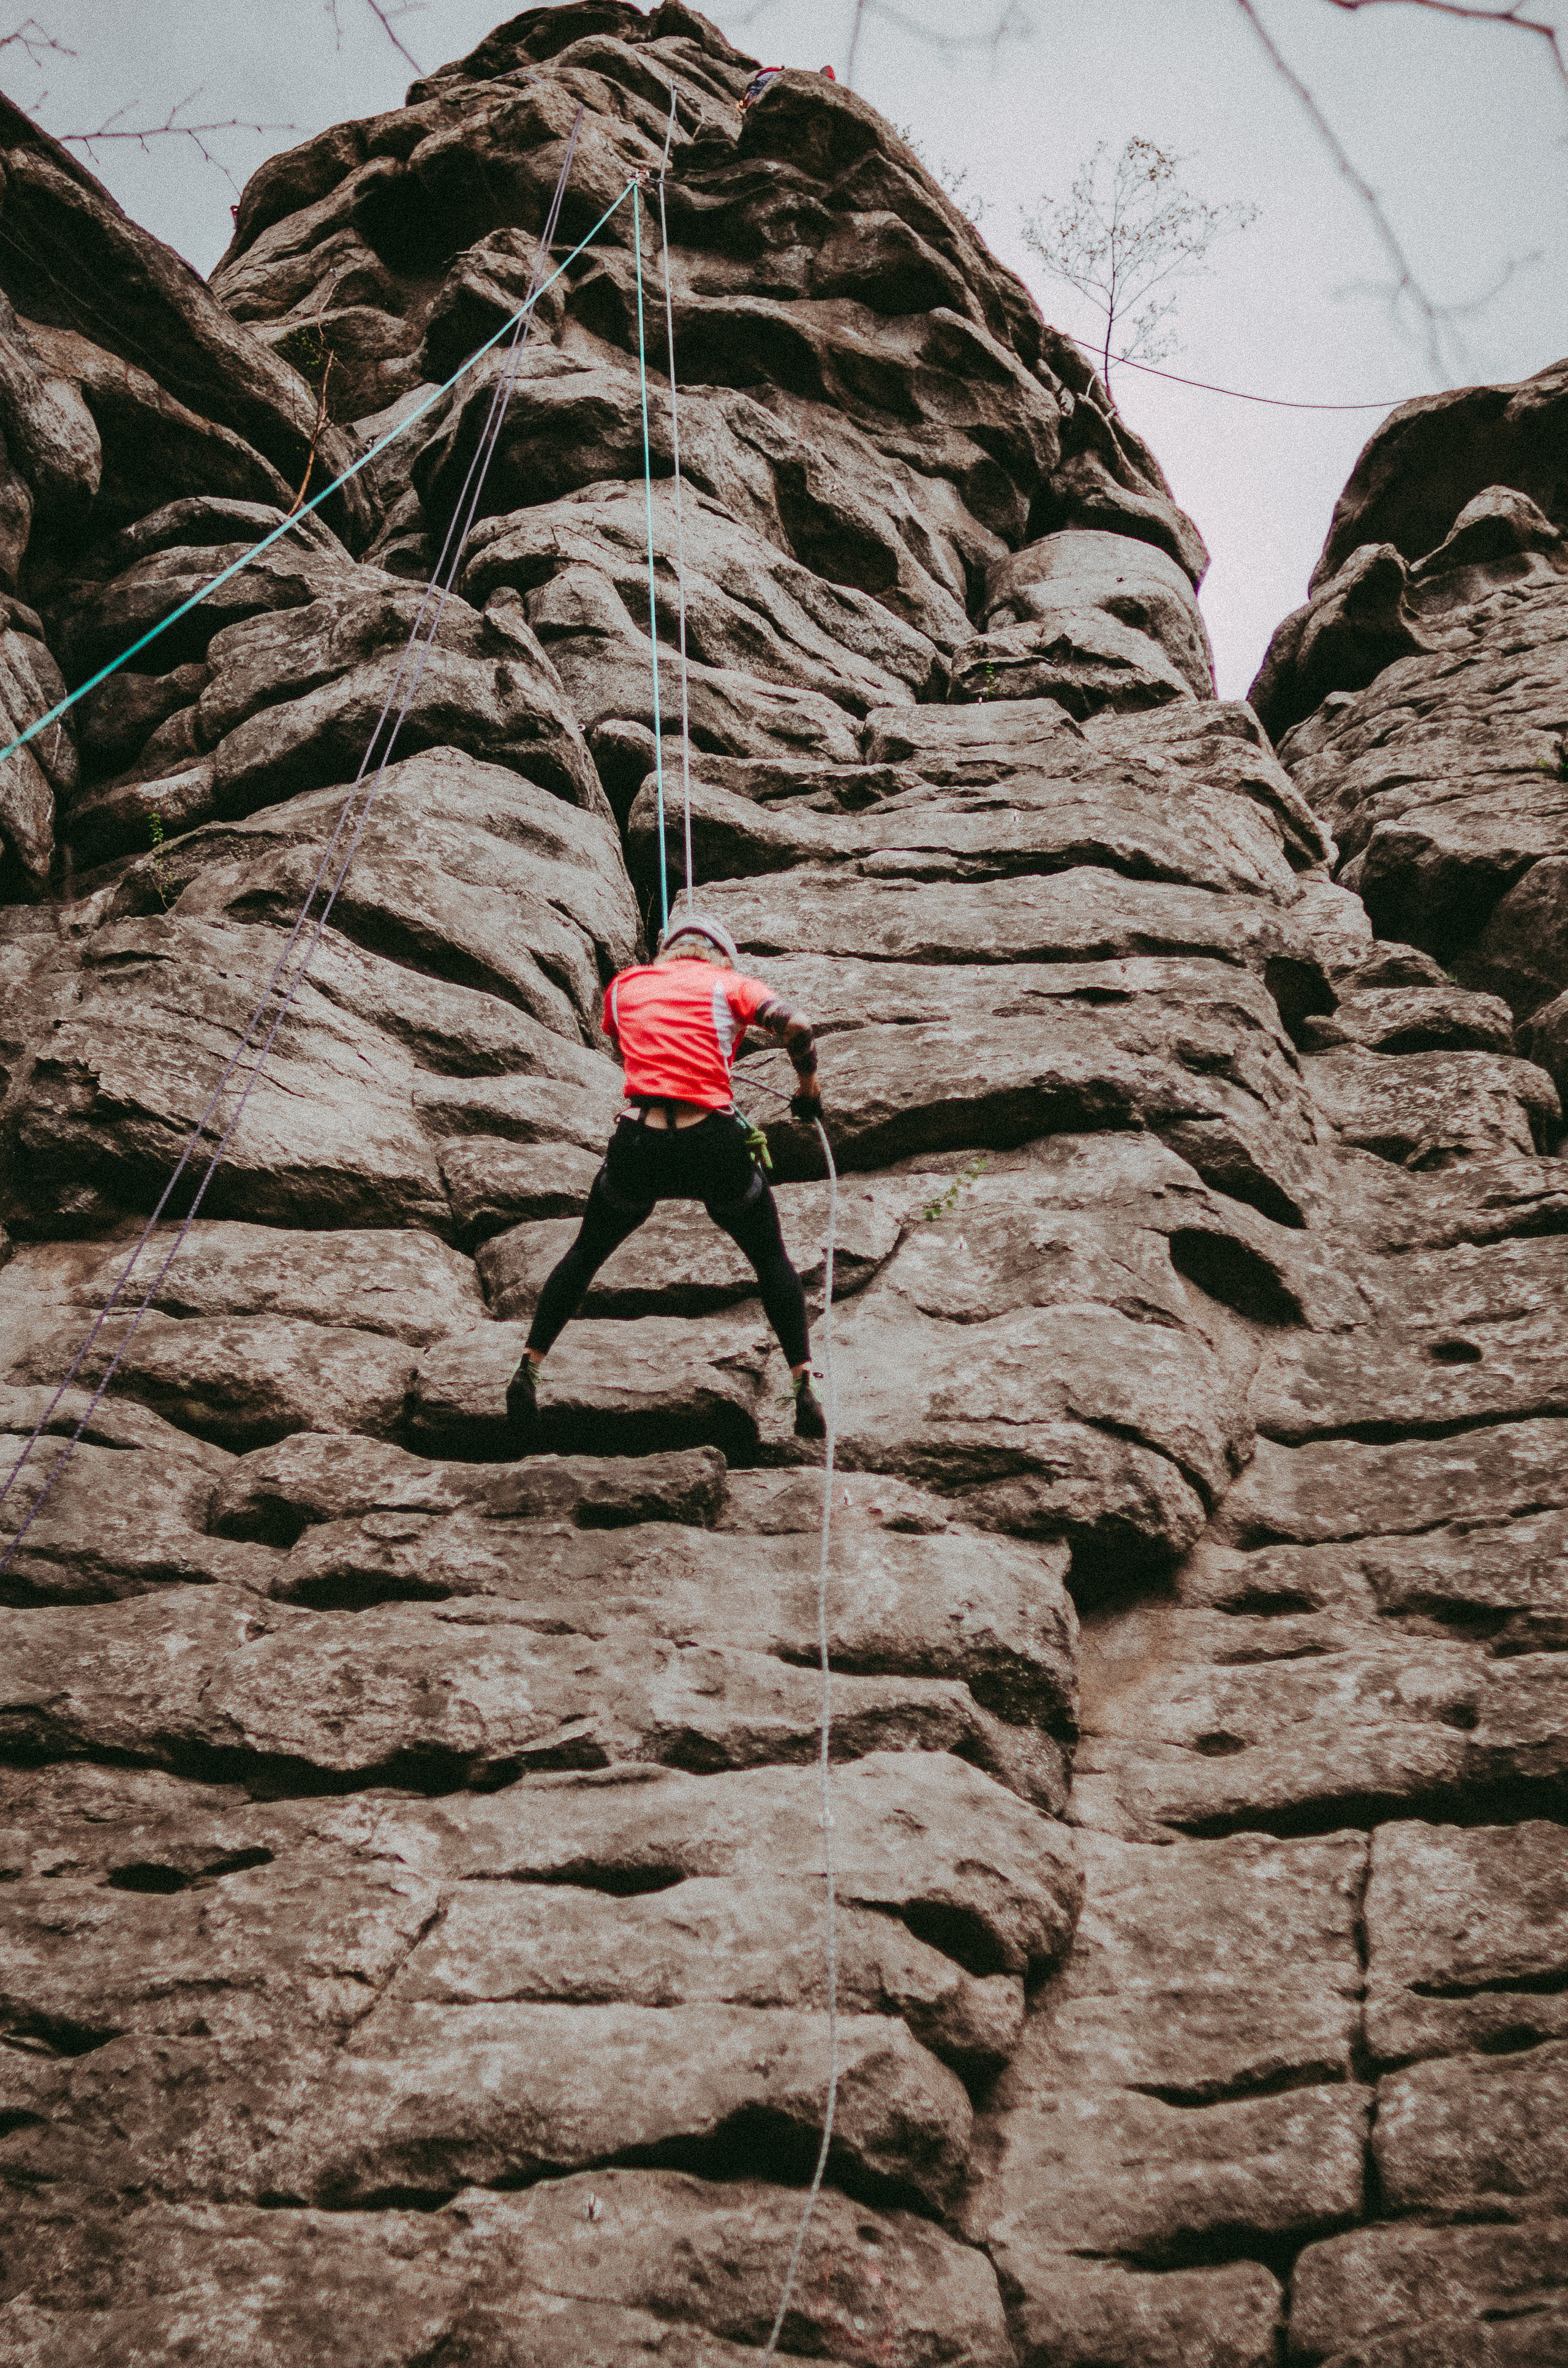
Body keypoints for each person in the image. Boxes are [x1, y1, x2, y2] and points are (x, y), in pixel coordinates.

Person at [505, 912, 827, 1450]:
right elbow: (798, 1026)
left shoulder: (627, 984)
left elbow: (624, 1035)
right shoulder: (732, 984)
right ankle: (803, 1392)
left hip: (641, 1143)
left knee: (585, 1253)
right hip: (712, 1144)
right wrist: (808, 1088)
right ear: (722, 957)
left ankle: (527, 1369)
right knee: (770, 1257)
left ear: (667, 953)